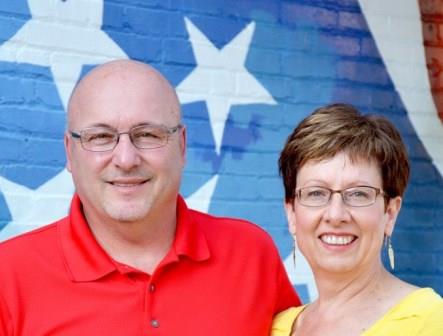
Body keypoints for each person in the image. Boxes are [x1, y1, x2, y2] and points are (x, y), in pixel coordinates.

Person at [0, 60, 300, 335]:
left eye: (148, 135)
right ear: (69, 151)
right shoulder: (8, 277)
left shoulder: (251, 254)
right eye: (101, 137)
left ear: (181, 146)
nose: (126, 159)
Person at [272, 104, 443, 335]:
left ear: (390, 213)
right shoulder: (275, 327)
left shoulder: (431, 321)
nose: (336, 215)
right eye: (316, 193)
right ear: (291, 213)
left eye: (358, 194)